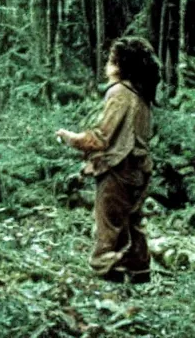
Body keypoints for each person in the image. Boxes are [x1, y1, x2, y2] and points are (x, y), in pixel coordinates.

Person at [56, 37, 159, 283]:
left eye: (111, 59)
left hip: (119, 169)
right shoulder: (140, 94)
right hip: (139, 169)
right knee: (132, 221)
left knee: (109, 224)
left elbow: (101, 138)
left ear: (119, 64)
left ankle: (108, 270)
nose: (106, 64)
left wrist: (70, 138)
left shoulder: (120, 92)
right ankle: (139, 271)